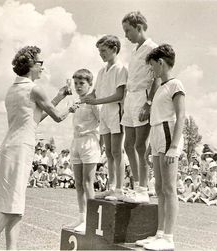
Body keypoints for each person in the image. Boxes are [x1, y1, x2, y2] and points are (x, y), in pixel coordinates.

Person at [0, 46, 75, 250]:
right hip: (20, 149)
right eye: (40, 63)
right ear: (31, 65)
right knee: (6, 211)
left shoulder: (14, 89)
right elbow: (57, 116)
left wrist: (59, 96)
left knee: (14, 209)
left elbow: (36, 117)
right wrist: (70, 108)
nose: (43, 67)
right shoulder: (34, 89)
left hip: (10, 147)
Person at [136, 44, 186, 250]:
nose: (151, 71)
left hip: (167, 133)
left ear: (161, 63)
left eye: (152, 67)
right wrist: (150, 146)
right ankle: (159, 233)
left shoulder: (176, 84)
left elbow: (181, 115)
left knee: (168, 187)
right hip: (157, 134)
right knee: (158, 188)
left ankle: (169, 237)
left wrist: (174, 146)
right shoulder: (160, 89)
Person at [81, 35, 127, 200]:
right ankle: (112, 186)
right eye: (99, 51)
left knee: (116, 151)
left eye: (104, 51)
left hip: (116, 111)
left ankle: (120, 189)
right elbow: (95, 92)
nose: (101, 54)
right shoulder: (101, 71)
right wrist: (85, 97)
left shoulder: (121, 69)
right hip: (104, 113)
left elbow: (120, 94)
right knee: (108, 152)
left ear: (114, 49)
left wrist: (96, 100)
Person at [121, 11, 160, 203]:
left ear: (139, 27)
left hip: (142, 98)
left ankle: (144, 189)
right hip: (130, 98)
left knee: (140, 145)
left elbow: (157, 77)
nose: (126, 35)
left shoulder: (152, 48)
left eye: (128, 30)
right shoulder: (136, 49)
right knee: (128, 144)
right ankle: (137, 185)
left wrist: (149, 102)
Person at [66, 69, 100, 232]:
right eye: (76, 83)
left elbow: (102, 120)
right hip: (76, 141)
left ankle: (91, 220)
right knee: (78, 183)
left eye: (82, 83)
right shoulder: (76, 102)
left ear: (89, 84)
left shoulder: (93, 101)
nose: (78, 87)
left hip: (89, 142)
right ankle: (81, 218)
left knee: (87, 182)